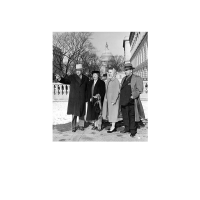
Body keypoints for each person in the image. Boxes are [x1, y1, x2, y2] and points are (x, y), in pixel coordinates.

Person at [55, 64, 89, 132]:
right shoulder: (72, 77)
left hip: (82, 98)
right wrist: (60, 79)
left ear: (81, 70)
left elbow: (87, 89)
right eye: (77, 70)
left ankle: (81, 125)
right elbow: (65, 81)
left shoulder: (86, 78)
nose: (78, 72)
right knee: (74, 113)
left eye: (79, 70)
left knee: (82, 112)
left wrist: (87, 98)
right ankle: (73, 127)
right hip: (74, 98)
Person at [119, 63, 145, 137]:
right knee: (125, 115)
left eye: (127, 70)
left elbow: (139, 90)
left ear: (131, 70)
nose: (125, 72)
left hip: (131, 101)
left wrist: (133, 96)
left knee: (132, 116)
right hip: (123, 100)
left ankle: (133, 130)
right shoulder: (124, 79)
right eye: (125, 70)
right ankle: (127, 128)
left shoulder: (137, 78)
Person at [102, 68, 121, 133]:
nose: (109, 73)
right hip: (109, 100)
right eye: (109, 72)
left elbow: (117, 91)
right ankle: (112, 126)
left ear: (114, 73)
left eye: (111, 72)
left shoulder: (116, 81)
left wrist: (114, 100)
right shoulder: (109, 80)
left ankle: (113, 127)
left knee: (113, 113)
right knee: (110, 113)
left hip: (113, 100)